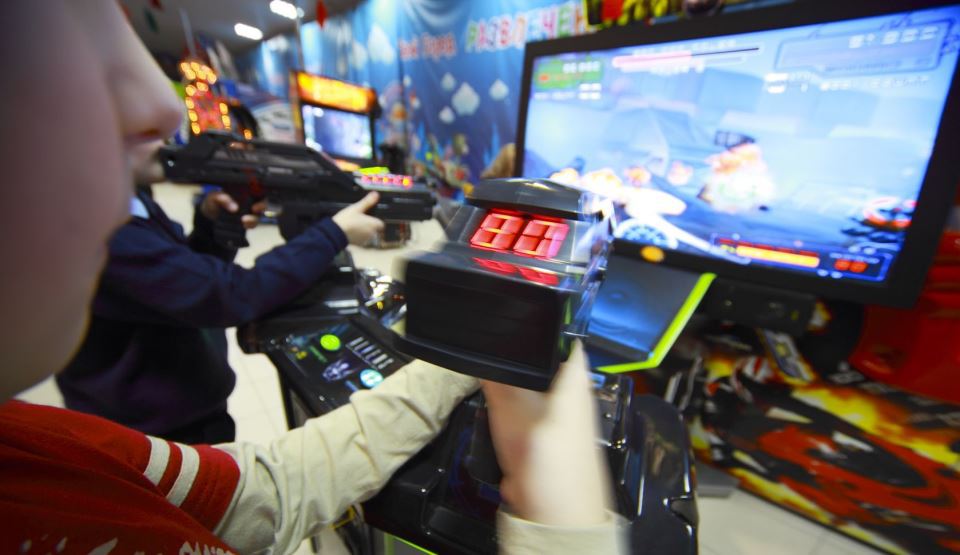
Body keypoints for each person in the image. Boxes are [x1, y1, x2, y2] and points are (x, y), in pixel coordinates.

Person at [0, 2, 625, 553]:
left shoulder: (54, 454)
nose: (160, 107)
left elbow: (266, 493)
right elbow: (226, 294)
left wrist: (465, 358)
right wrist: (564, 519)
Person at [55, 136, 384, 443]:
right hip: (153, 436)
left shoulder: (132, 201)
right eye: (138, 130)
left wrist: (211, 226)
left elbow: (180, 282)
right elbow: (232, 294)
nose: (164, 136)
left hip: (176, 408)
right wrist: (333, 233)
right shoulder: (102, 231)